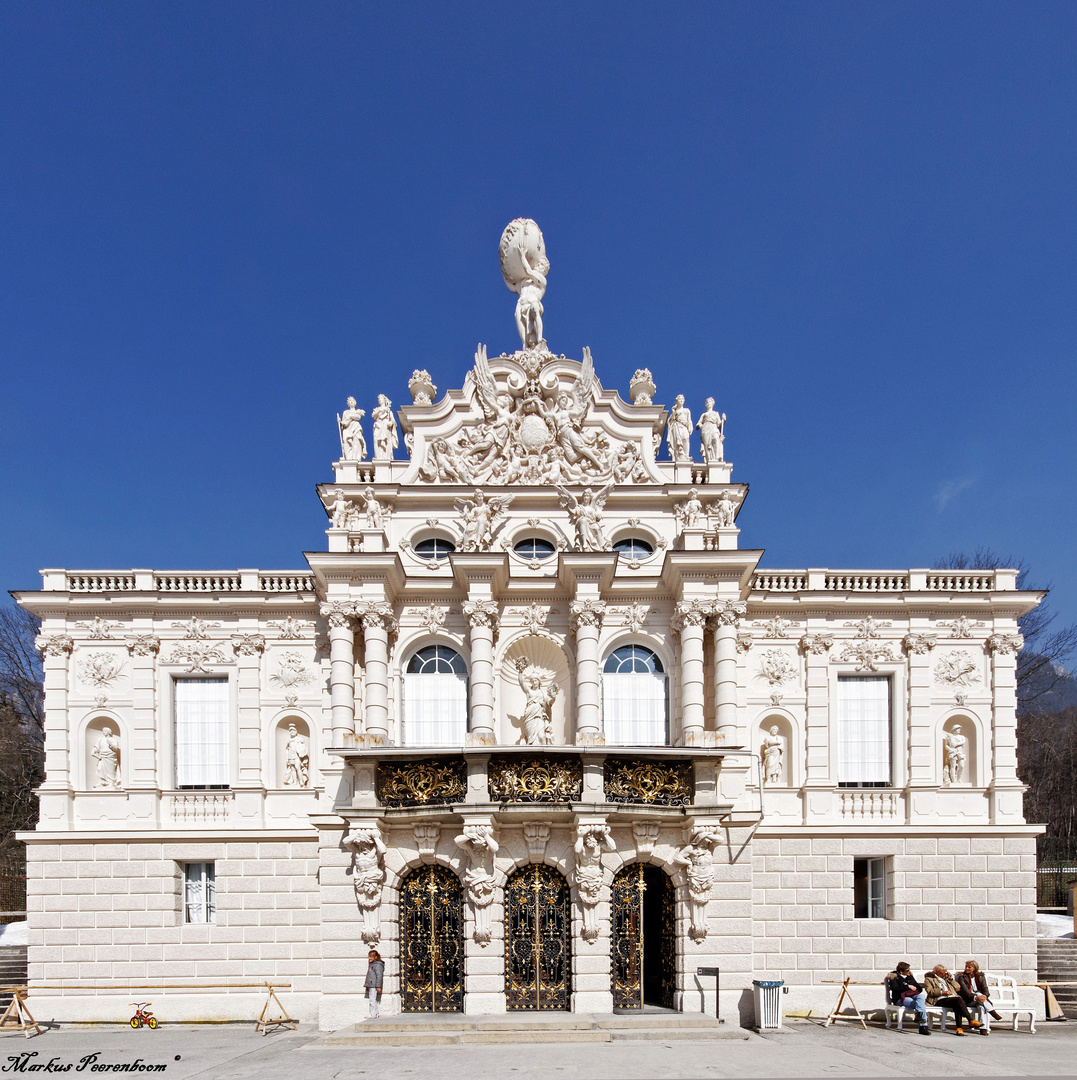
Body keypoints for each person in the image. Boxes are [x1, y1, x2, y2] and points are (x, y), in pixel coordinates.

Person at [925, 964, 982, 1035]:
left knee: (957, 1004)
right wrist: (943, 992)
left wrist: (951, 979)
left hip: (952, 998)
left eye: (945, 971)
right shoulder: (929, 979)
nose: (944, 973)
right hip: (938, 999)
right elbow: (929, 991)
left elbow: (958, 988)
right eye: (942, 972)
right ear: (937, 972)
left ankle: (959, 1028)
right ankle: (970, 1020)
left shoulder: (946, 979)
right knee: (958, 1000)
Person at [885, 962, 931, 1035]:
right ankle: (923, 1027)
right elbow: (895, 989)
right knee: (920, 1004)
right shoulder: (894, 977)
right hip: (900, 998)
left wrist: (915, 988)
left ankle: (919, 1016)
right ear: (901, 971)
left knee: (921, 997)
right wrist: (907, 987)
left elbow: (919, 988)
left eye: (909, 970)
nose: (909, 972)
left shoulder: (910, 976)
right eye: (907, 970)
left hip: (912, 995)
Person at [957, 959, 1001, 1024]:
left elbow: (985, 989)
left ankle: (983, 1028)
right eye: (966, 966)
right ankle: (992, 1011)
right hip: (969, 1000)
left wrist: (985, 996)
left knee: (981, 1007)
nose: (966, 968)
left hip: (980, 1000)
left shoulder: (980, 976)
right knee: (978, 994)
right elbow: (966, 992)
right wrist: (976, 997)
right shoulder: (962, 977)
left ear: (974, 968)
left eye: (969, 967)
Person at [363, 949, 384, 1020]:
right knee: (372, 999)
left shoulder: (377, 965)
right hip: (371, 985)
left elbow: (379, 976)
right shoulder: (372, 964)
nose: (369, 958)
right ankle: (375, 1013)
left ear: (375, 957)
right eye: (369, 957)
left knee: (372, 1000)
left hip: (374, 985)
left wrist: (378, 986)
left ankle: (373, 1014)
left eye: (371, 957)